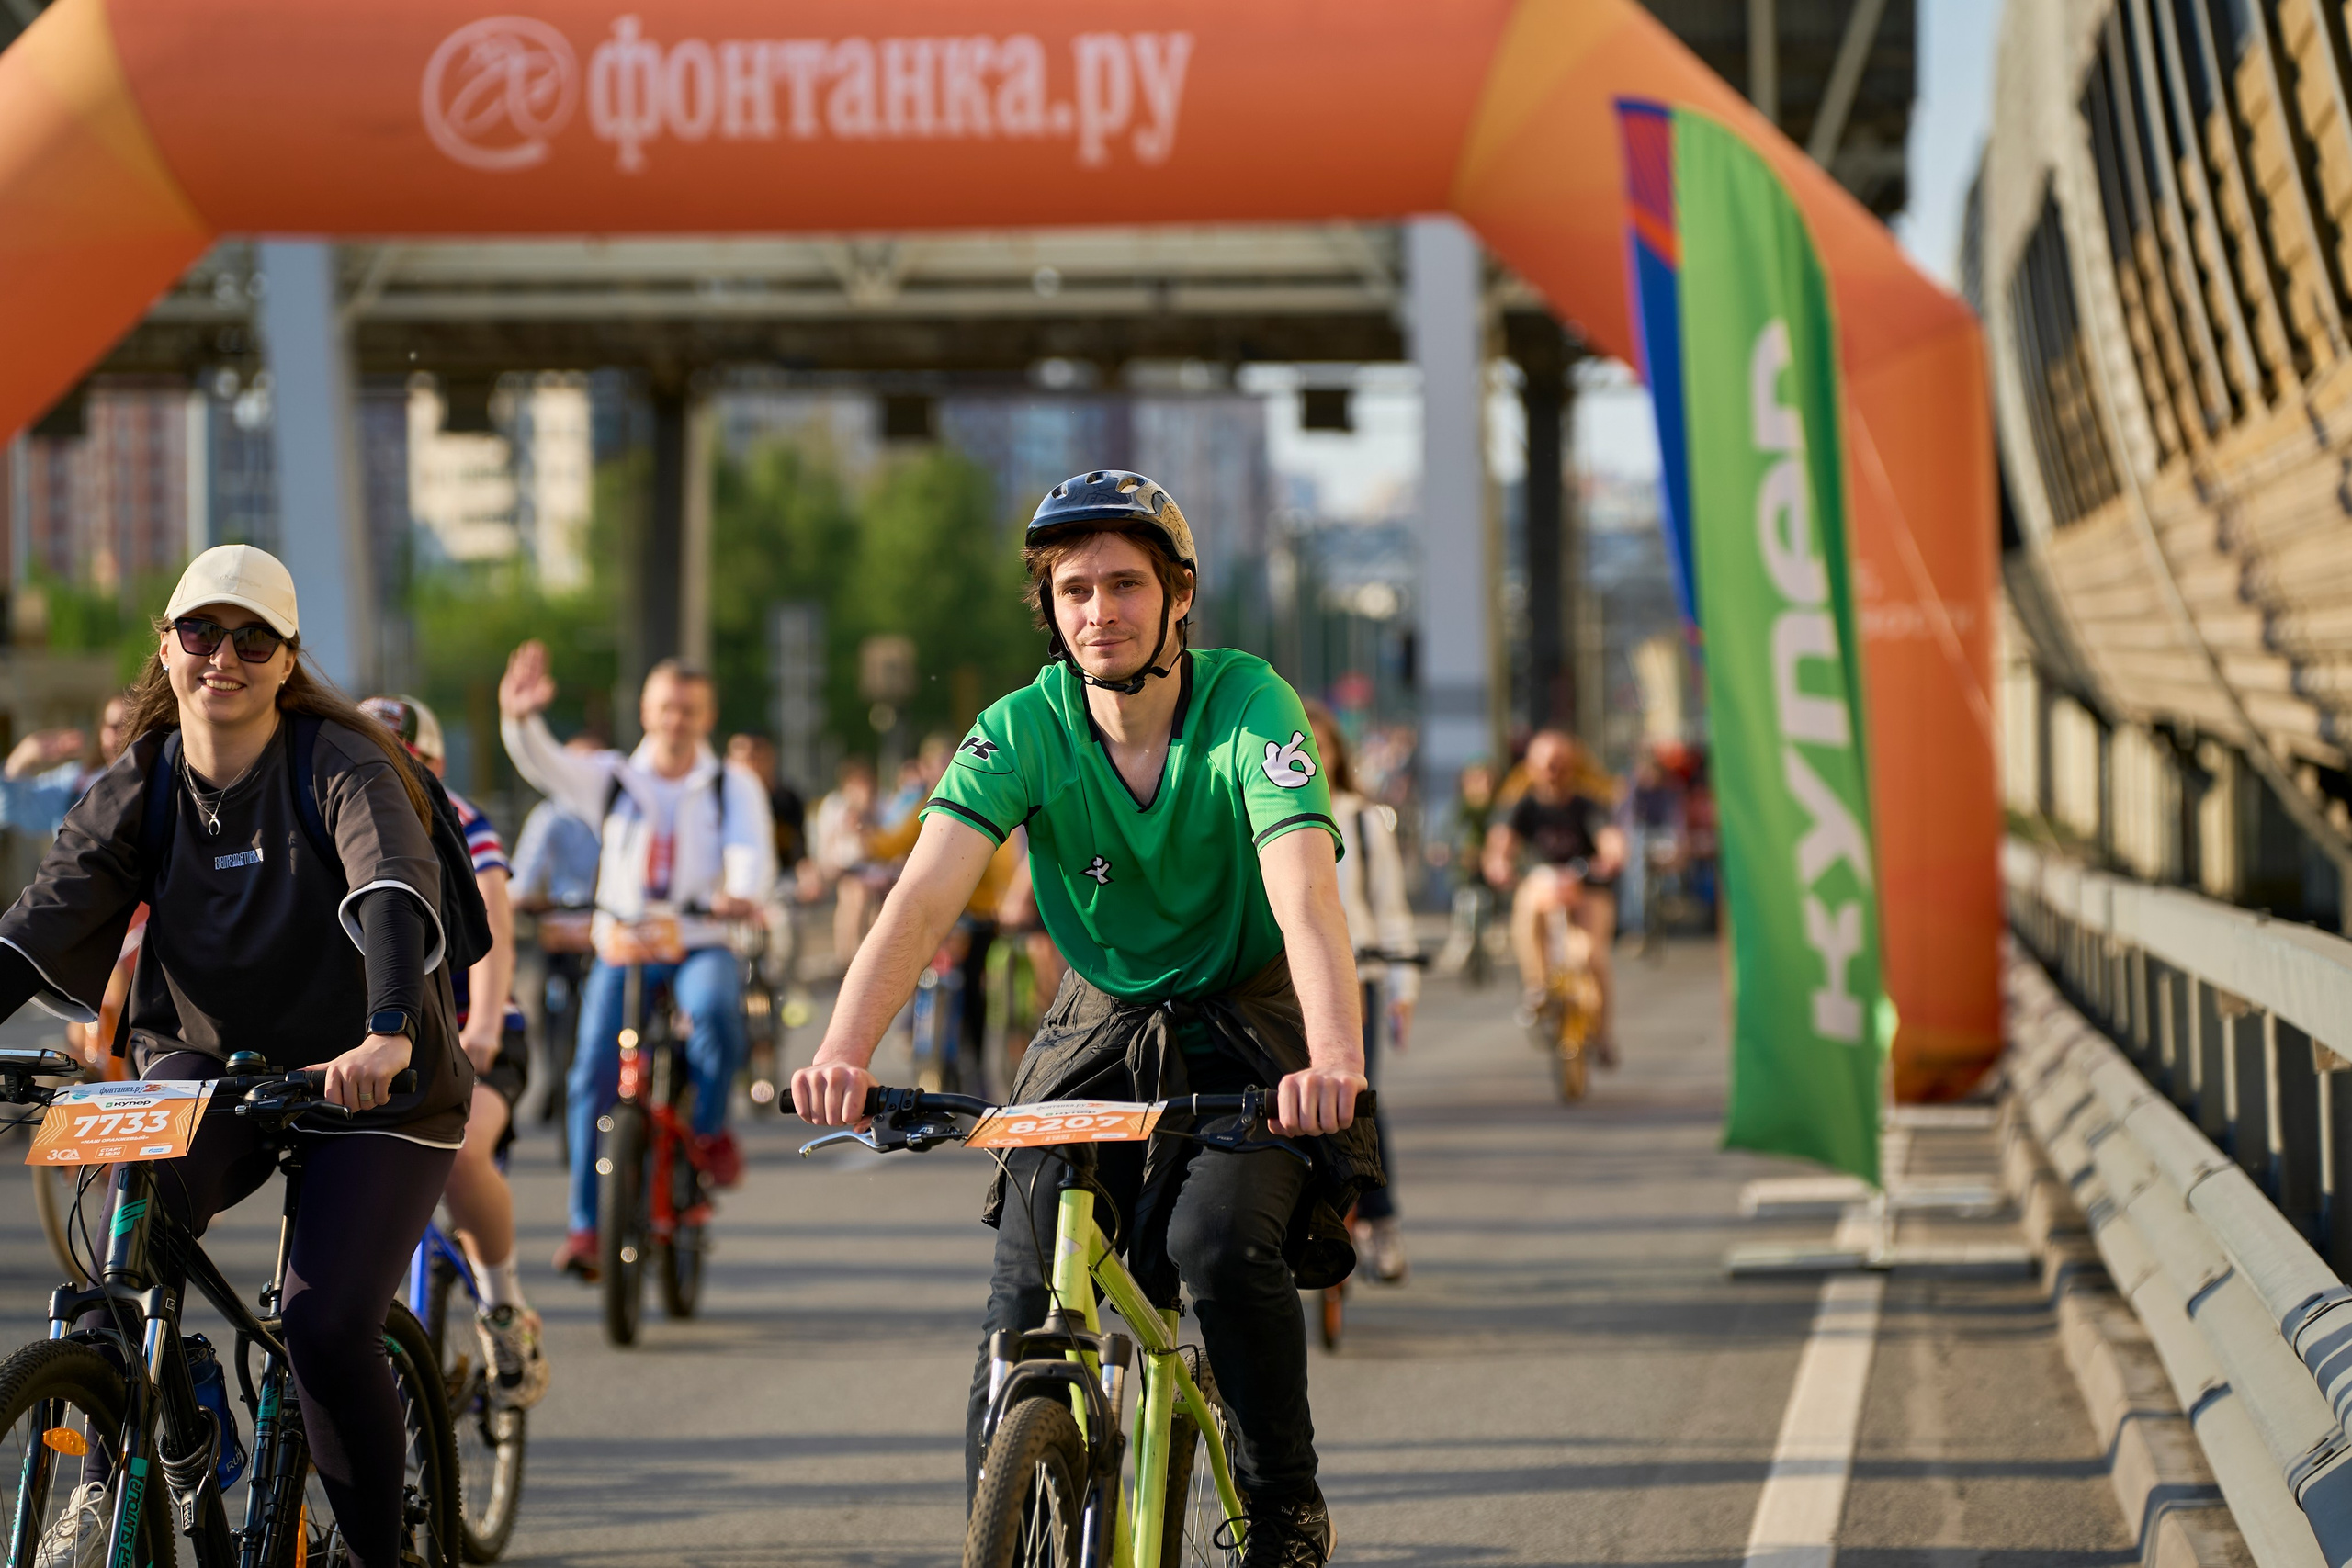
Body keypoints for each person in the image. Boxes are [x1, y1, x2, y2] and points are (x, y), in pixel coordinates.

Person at [794, 470, 1376, 1568]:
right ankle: (1007, 1529)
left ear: (1177, 598)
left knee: (1216, 1241)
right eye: (1072, 591)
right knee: (1022, 1288)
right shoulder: (1023, 726)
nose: (1098, 611)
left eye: (1123, 585)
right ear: (1050, 610)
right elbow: (920, 899)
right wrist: (840, 1052)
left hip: (1250, 1018)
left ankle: (1285, 1502)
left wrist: (1334, 1059)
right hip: (1097, 1017)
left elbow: (1305, 896)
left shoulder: (1249, 704)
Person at [0, 545, 474, 1568]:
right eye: (202, 633)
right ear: (165, 648)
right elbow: (39, 923)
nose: (225, 655)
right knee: (119, 1244)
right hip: (210, 1067)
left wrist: (389, 1029)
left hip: (369, 1081)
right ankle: (140, 1449)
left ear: (288, 658)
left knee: (322, 1327)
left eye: (251, 636)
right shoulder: (142, 778)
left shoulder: (340, 762)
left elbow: (390, 888)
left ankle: (380, 1553)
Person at [498, 650, 776, 1280]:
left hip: (700, 937)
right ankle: (585, 1226)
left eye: (689, 709)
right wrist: (520, 721)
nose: (675, 719)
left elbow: (749, 850)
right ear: (646, 710)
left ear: (706, 716)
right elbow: (549, 765)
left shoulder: (731, 782)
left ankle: (705, 1134)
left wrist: (741, 890)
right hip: (624, 944)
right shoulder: (615, 777)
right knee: (591, 1070)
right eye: (665, 706)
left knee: (713, 1014)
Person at [359, 694, 549, 1409]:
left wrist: (486, 1027)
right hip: (376, 1046)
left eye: (409, 759)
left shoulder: (464, 822)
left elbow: (493, 933)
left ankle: (504, 1308)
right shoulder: (327, 814)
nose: (391, 771)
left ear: (435, 766)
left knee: (464, 1153)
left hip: (473, 1033)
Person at [1302, 699, 1416, 1283]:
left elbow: (1392, 909)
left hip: (1360, 973)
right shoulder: (1249, 808)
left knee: (1358, 1101)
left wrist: (1404, 985)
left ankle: (1379, 1223)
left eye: (1319, 747)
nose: (1308, 759)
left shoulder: (1365, 819)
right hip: (1286, 981)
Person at [1483, 728, 1628, 1065]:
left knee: (1593, 957)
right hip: (1542, 886)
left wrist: (1611, 857)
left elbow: (1610, 840)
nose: (1553, 772)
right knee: (1528, 904)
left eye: (1560, 764)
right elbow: (1500, 844)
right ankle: (1537, 987)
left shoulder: (1587, 804)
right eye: (1546, 765)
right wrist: (1499, 864)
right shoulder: (1521, 805)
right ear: (1531, 767)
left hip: (1587, 887)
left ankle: (1603, 1033)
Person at [510, 732, 605, 1134]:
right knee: (548, 1003)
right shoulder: (549, 817)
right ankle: (553, 1068)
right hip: (562, 928)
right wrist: (523, 898)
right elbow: (522, 877)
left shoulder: (619, 812)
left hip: (609, 933)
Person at [0, 691, 131, 835]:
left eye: (130, 725)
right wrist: (24, 754)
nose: (122, 735)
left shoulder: (155, 780)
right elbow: (13, 810)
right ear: (101, 730)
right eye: (113, 726)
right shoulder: (79, 781)